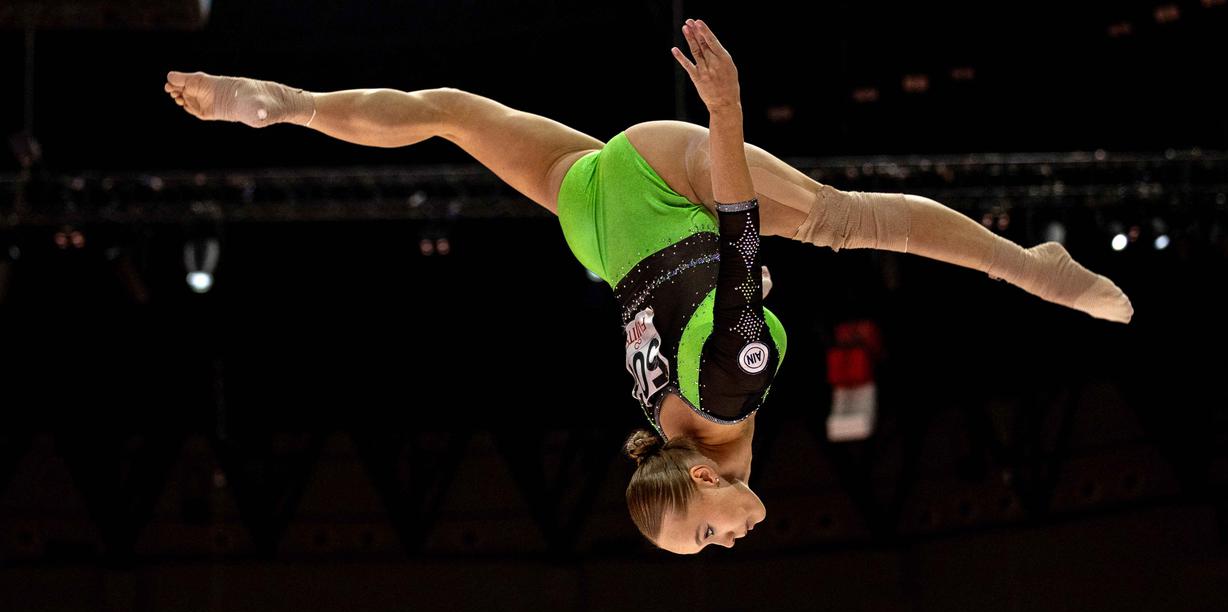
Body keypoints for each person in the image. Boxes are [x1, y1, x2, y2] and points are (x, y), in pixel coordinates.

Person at [164, 18, 1132, 555]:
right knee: (449, 113)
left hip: (659, 187)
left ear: (707, 477)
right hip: (596, 231)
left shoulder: (728, 393)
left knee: (844, 220)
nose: (723, 543)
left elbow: (740, 230)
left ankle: (1029, 269)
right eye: (704, 541)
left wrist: (726, 113)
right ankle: (284, 103)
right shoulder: (664, 423)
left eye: (705, 534)